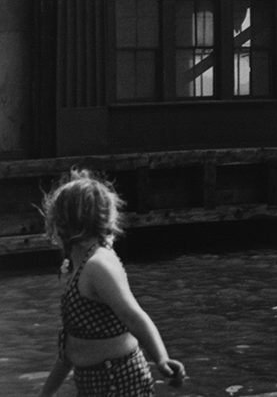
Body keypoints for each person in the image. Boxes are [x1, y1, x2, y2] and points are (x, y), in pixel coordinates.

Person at [37, 168, 185, 396]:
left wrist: (161, 359)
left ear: (63, 223)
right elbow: (70, 347)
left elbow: (133, 316)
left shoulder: (99, 265)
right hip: (94, 384)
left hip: (118, 383)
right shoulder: (75, 267)